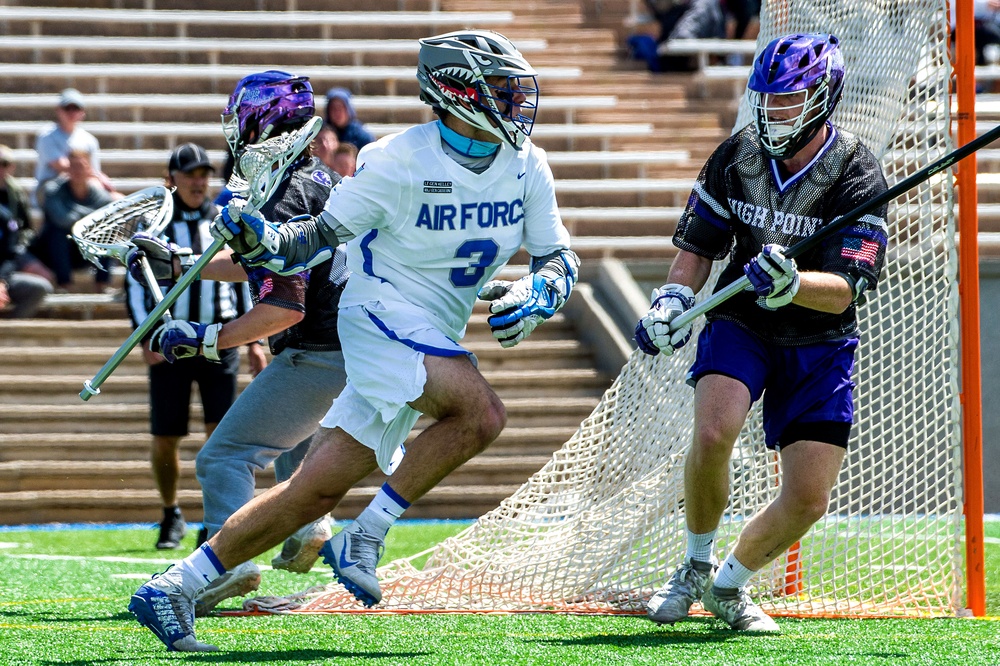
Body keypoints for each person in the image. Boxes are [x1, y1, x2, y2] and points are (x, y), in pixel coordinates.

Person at [128, 30, 579, 652]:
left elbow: (558, 255)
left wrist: (544, 288)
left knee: (313, 488)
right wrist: (260, 241)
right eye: (499, 89)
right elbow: (313, 240)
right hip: (377, 315)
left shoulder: (528, 163)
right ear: (456, 93)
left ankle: (176, 586)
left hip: (433, 326)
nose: (513, 102)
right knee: (482, 412)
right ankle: (368, 533)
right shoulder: (397, 159)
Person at [635, 33, 887, 633]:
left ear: (824, 98)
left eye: (788, 100)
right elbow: (697, 247)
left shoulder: (857, 172)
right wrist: (672, 298)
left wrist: (793, 282)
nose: (772, 112)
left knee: (807, 499)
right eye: (767, 100)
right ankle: (693, 566)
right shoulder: (736, 155)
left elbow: (849, 288)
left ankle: (728, 585)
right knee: (715, 428)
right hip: (743, 320)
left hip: (820, 339)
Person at [126, 71, 352, 615]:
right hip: (351, 346)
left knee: (223, 457)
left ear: (263, 121)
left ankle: (230, 564)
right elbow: (262, 266)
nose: (235, 129)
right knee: (292, 459)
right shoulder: (318, 179)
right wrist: (185, 265)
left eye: (241, 116)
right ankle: (309, 528)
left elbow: (283, 306)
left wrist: (207, 338)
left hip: (319, 352)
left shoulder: (284, 195)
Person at [124, 142, 263, 550]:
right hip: (169, 342)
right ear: (172, 180)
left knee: (219, 435)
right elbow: (134, 283)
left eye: (203, 173)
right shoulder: (155, 227)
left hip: (219, 338)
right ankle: (170, 513)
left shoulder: (222, 223)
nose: (198, 181)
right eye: (190, 174)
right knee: (167, 435)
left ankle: (214, 518)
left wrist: (252, 339)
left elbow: (244, 278)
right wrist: (144, 334)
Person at [36, 148, 118, 290]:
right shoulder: (53, 191)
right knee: (58, 233)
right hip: (53, 252)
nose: (77, 171)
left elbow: (107, 219)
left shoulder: (100, 195)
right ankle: (64, 284)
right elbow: (62, 220)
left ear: (90, 170)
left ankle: (102, 284)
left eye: (81, 166)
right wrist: (91, 216)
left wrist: (77, 214)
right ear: (67, 169)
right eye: (73, 166)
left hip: (84, 251)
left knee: (108, 233)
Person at [0, 145, 53, 317]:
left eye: (4, 163)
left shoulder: (13, 199)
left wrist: (1, 281)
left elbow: (11, 249)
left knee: (42, 282)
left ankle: (10, 330)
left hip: (12, 252)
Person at [34, 88, 111, 200]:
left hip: (82, 188)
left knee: (114, 198)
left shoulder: (89, 140)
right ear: (58, 110)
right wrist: (97, 175)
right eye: (67, 108)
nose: (71, 112)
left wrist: (99, 178)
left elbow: (92, 170)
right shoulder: (47, 136)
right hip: (53, 188)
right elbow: (63, 166)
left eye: (76, 108)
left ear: (82, 112)